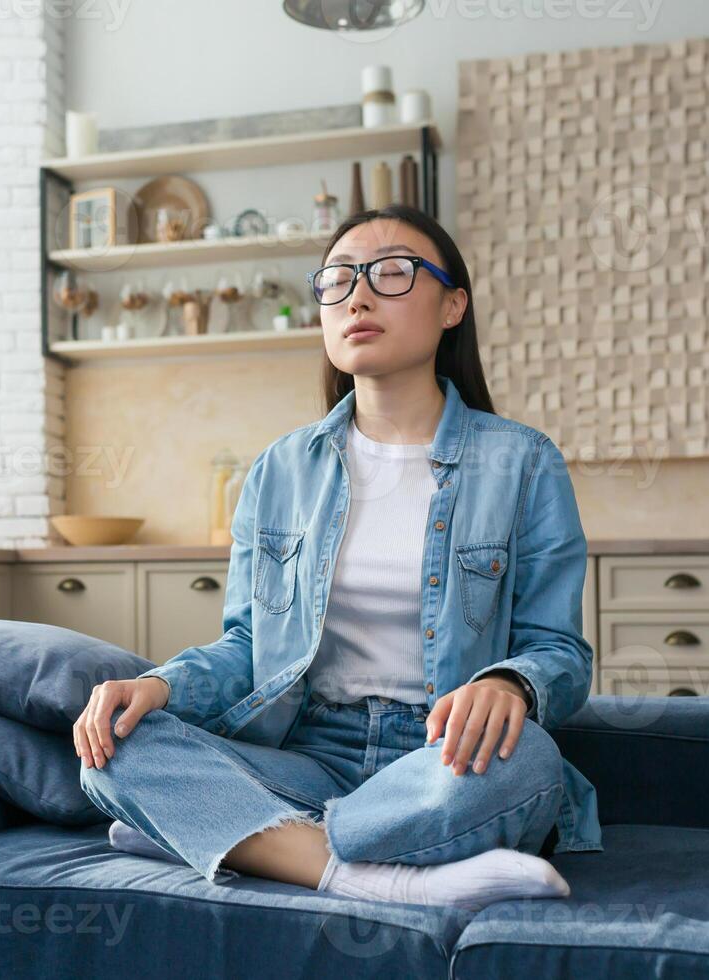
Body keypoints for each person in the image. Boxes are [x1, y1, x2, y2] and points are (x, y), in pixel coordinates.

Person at [74, 204, 602, 910]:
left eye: (390, 274)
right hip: (310, 754)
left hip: (442, 758)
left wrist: (509, 686)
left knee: (532, 765)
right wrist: (160, 686)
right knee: (121, 745)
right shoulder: (280, 470)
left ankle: (241, 837)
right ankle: (365, 873)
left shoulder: (523, 463)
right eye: (337, 279)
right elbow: (246, 648)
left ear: (453, 305)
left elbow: (560, 652)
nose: (356, 295)